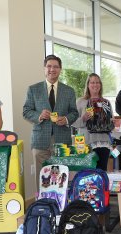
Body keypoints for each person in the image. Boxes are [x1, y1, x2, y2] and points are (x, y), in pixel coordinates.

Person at [23, 55, 79, 187]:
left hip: (62, 142)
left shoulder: (69, 91)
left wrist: (65, 119)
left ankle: (59, 204)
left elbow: (74, 112)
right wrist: (39, 115)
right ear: (44, 68)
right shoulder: (33, 89)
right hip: (40, 141)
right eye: (49, 66)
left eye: (55, 67)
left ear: (60, 69)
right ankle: (41, 204)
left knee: (59, 178)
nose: (52, 69)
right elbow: (26, 111)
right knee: (41, 176)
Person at [72, 73, 112, 171]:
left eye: (97, 82)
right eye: (92, 82)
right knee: (87, 174)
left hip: (104, 143)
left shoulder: (106, 102)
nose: (95, 85)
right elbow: (72, 122)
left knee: (102, 173)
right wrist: (83, 119)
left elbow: (111, 124)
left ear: (100, 85)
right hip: (86, 144)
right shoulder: (80, 102)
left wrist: (112, 122)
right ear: (88, 85)